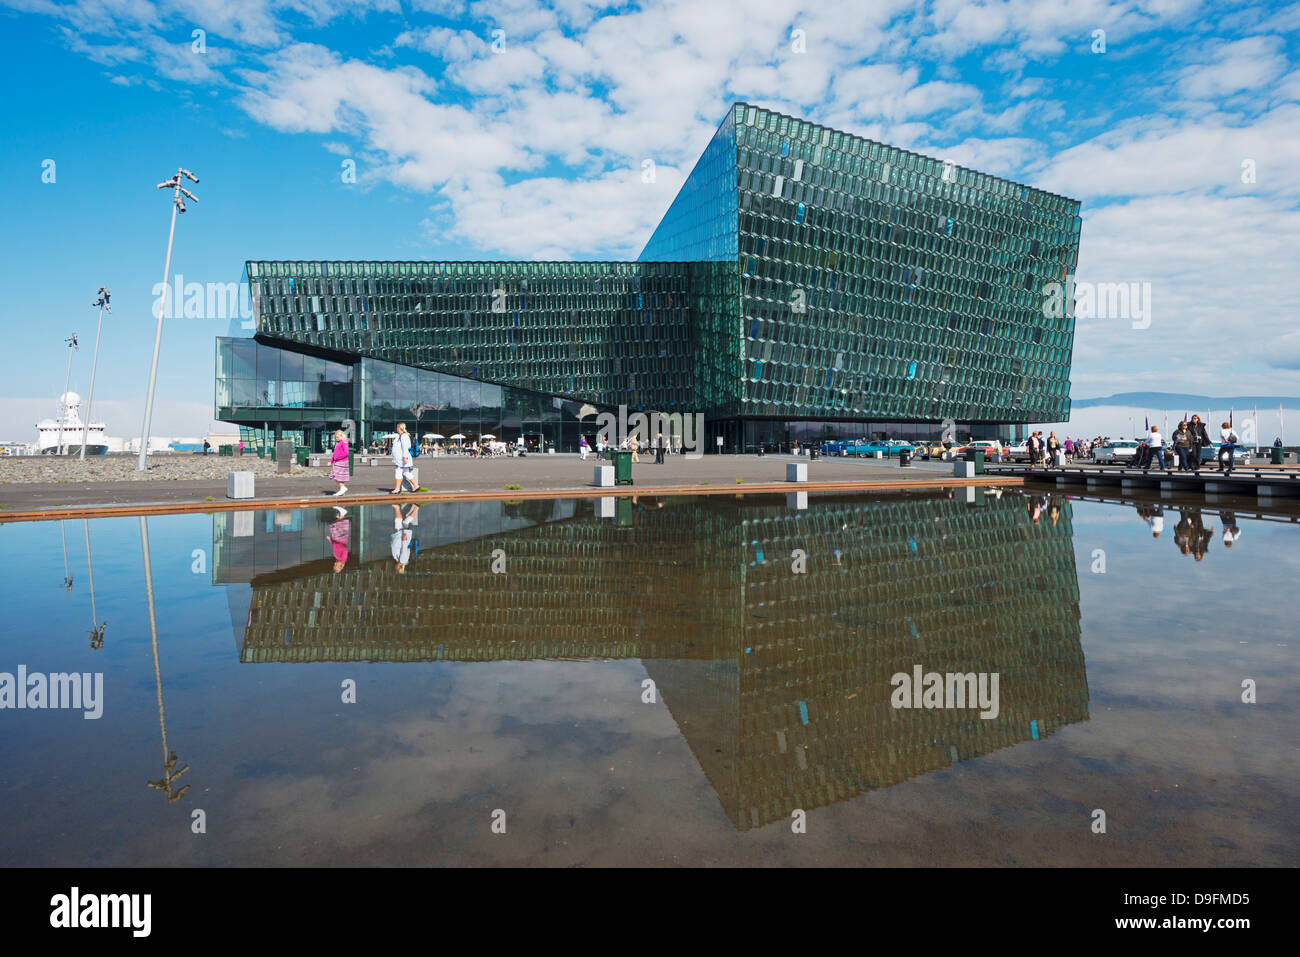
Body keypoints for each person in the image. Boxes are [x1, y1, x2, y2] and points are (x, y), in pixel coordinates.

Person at [390, 503, 417, 573]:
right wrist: (404, 539)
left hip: (400, 538)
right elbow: (404, 549)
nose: (395, 566)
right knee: (398, 523)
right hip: (402, 538)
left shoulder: (399, 560)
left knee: (405, 522)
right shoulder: (403, 560)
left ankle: (416, 508)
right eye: (396, 568)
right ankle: (397, 508)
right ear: (399, 567)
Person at [389, 422, 415, 494]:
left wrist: (405, 458)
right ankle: (416, 486)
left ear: (400, 428)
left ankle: (397, 489)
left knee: (398, 472)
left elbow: (405, 448)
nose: (396, 429)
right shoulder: (399, 436)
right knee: (406, 472)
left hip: (402, 459)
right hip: (399, 459)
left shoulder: (404, 436)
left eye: (397, 427)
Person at [327, 508, 350, 573]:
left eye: (334, 565)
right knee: (338, 525)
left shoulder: (338, 558)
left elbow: (334, 547)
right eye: (336, 565)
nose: (335, 564)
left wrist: (330, 540)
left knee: (337, 524)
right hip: (341, 539)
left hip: (336, 539)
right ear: (340, 565)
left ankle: (342, 513)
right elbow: (345, 550)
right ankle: (342, 512)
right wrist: (337, 544)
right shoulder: (343, 559)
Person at [329, 429, 350, 496]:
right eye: (335, 437)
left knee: (337, 475)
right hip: (339, 461)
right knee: (339, 476)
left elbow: (346, 452)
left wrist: (337, 458)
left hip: (341, 462)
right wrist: (331, 460)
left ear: (342, 436)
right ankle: (342, 490)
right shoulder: (339, 443)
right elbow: (335, 453)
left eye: (337, 437)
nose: (336, 438)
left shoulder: (344, 443)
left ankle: (343, 488)